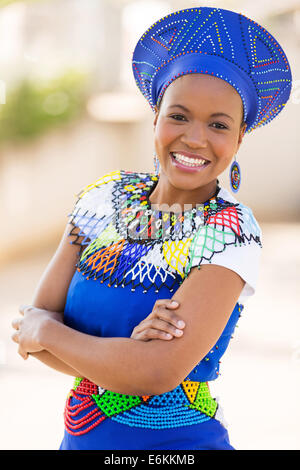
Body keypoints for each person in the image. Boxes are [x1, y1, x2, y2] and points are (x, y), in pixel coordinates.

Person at [11, 7, 292, 450]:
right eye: (179, 116)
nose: (195, 138)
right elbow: (33, 328)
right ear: (156, 116)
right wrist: (124, 353)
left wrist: (52, 332)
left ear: (239, 139)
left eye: (218, 125)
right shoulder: (102, 200)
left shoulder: (231, 231)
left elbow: (155, 372)